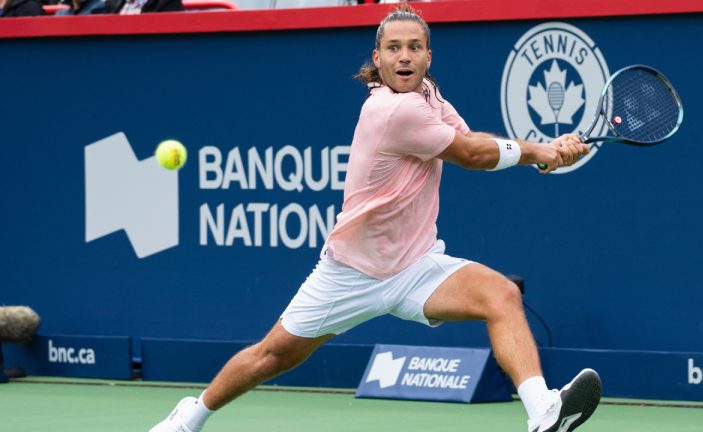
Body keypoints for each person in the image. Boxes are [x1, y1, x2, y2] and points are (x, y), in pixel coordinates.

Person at [149, 4, 601, 432]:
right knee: (272, 356)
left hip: (415, 265)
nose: (404, 57)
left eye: (414, 47)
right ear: (378, 58)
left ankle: (542, 412)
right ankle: (188, 418)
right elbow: (471, 155)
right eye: (393, 48)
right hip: (352, 272)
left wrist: (545, 150)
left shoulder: (428, 95)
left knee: (500, 295)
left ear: (427, 57)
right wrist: (539, 152)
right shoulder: (393, 110)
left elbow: (471, 140)